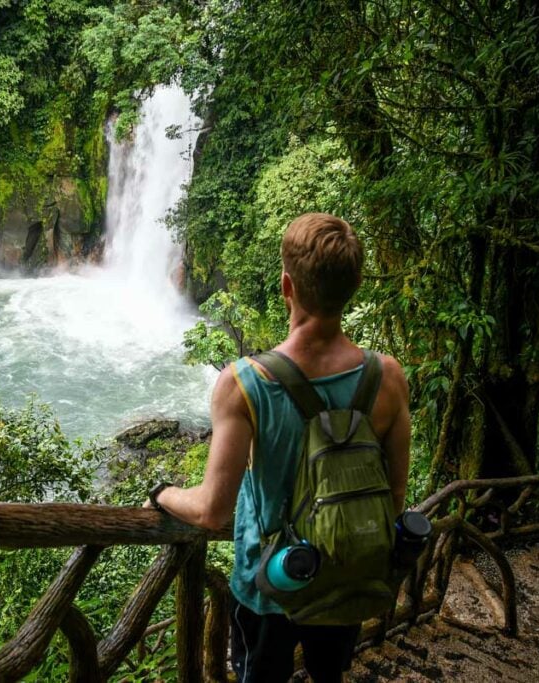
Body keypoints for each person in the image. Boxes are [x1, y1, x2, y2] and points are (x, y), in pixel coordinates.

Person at [145, 213, 411, 682]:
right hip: (347, 575)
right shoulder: (387, 378)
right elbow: (393, 498)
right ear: (355, 286)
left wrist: (162, 493)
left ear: (287, 286)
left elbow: (211, 511)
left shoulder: (245, 383)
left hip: (271, 586)